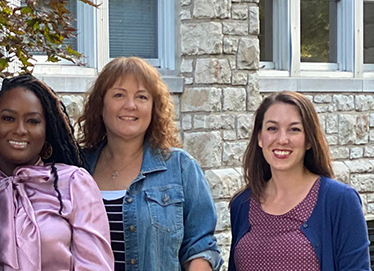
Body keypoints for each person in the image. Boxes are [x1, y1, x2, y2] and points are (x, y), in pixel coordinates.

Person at [77, 57, 222, 271]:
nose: (130, 105)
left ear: (153, 108)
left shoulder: (181, 167)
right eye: (119, 95)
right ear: (101, 105)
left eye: (141, 97)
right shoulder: (78, 168)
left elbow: (200, 247)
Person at [0, 74, 113, 271]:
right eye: (8, 118)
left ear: (47, 130)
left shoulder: (73, 183)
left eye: (32, 121)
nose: (20, 130)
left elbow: (96, 265)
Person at [228, 91, 370, 271]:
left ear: (309, 140)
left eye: (294, 129)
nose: (282, 139)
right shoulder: (242, 204)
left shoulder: (339, 200)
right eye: (272, 128)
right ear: (259, 137)